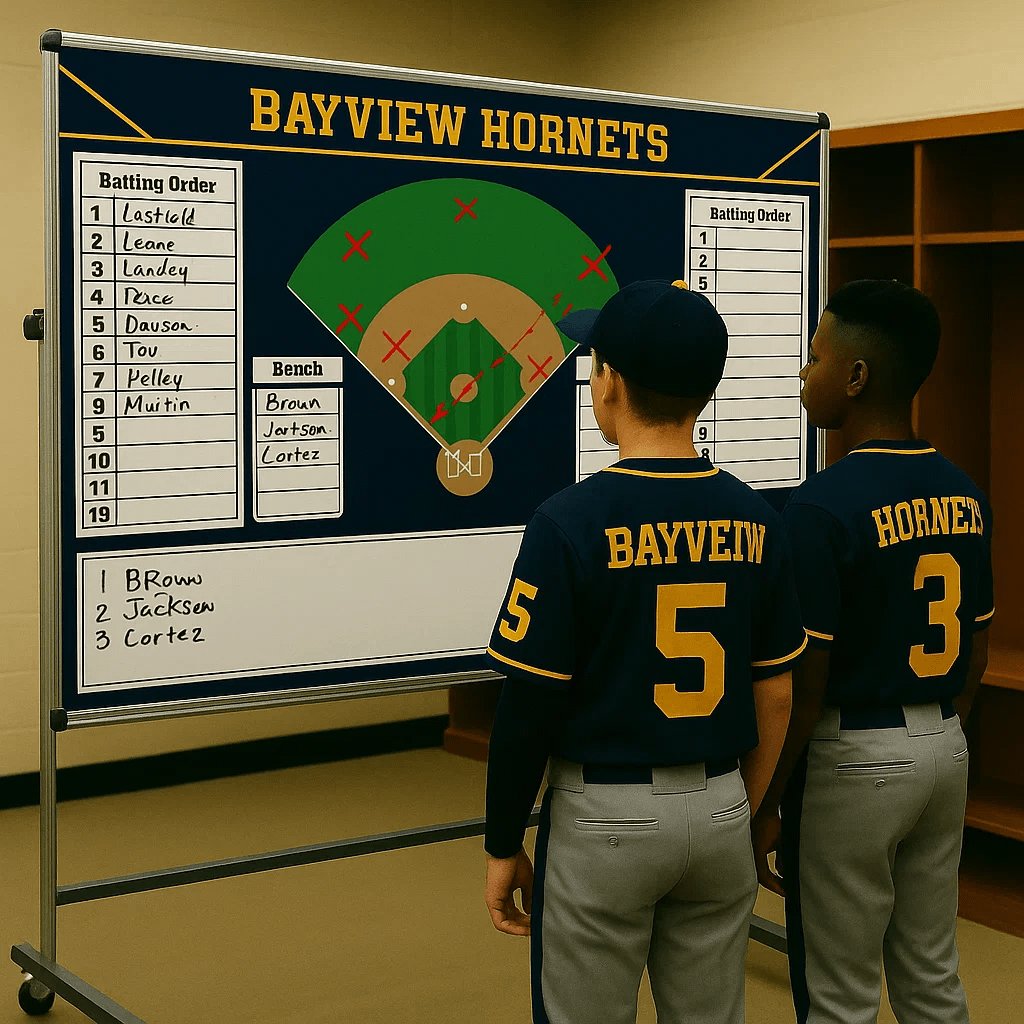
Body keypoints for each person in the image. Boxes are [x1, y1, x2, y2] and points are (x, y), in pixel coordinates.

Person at [481, 278, 807, 1024]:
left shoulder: (568, 522)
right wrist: (735, 809)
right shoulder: (758, 518)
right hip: (723, 800)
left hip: (604, 816)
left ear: (610, 384)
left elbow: (530, 702)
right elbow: (778, 694)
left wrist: (504, 841)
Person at [750, 279, 994, 1024]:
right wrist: (937, 738)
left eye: (815, 357)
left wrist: (767, 803)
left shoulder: (821, 506)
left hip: (851, 760)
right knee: (930, 975)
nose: (803, 373)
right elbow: (977, 654)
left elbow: (806, 683)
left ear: (855, 378)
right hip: (944, 744)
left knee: (839, 993)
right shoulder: (962, 490)